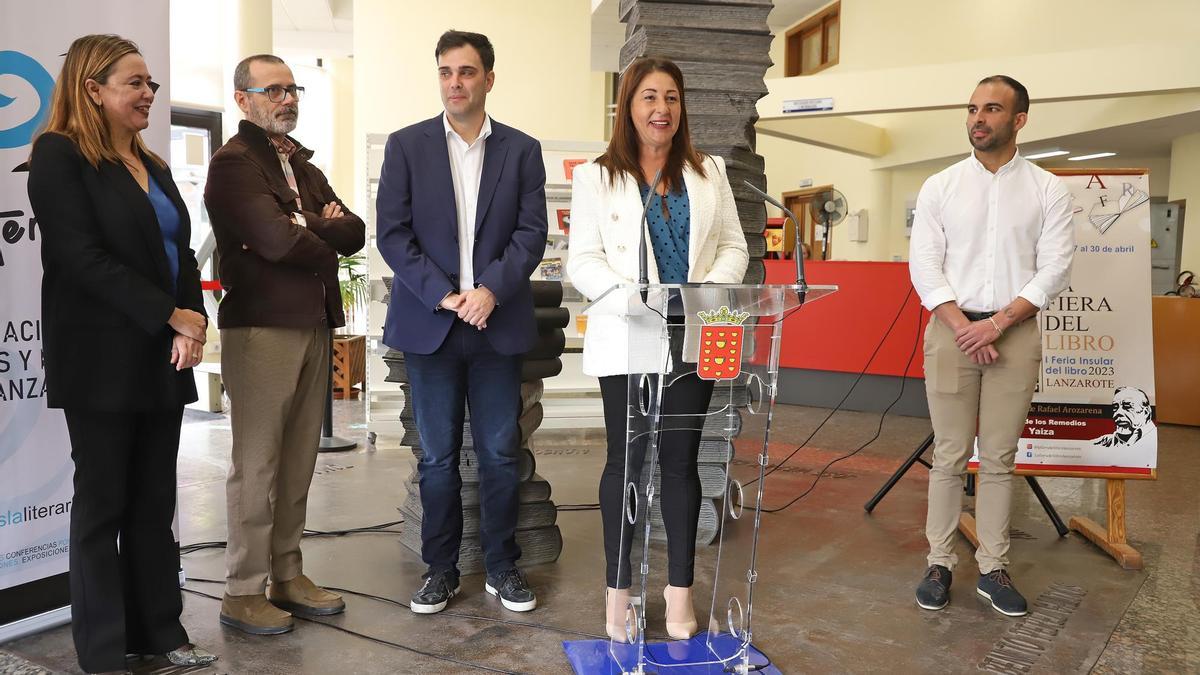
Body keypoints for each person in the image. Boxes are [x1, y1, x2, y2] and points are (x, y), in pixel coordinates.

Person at [27, 33, 217, 673]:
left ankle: (160, 633)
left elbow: (182, 254)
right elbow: (79, 258)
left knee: (153, 502)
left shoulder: (154, 164)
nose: (148, 95)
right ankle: (105, 652)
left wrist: (190, 325)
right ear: (92, 89)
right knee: (103, 502)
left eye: (151, 84)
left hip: (161, 356)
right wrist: (169, 313)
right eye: (134, 83)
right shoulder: (58, 156)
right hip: (100, 358)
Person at [566, 56, 749, 641]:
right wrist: (632, 299)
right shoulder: (598, 176)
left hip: (694, 332)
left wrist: (700, 291)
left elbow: (734, 247)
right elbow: (584, 260)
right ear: (629, 105)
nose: (661, 109)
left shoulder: (709, 170)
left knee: (681, 463)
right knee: (625, 462)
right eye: (649, 97)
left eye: (670, 98)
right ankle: (619, 595)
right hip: (628, 331)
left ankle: (678, 594)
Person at [376, 30, 547, 615]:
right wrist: (447, 296)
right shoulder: (406, 146)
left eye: (467, 72)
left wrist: (489, 291)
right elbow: (393, 236)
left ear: (488, 79)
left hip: (496, 324)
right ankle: (440, 570)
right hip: (433, 324)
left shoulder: (522, 150)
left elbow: (531, 234)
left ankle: (503, 568)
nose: (455, 82)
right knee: (437, 457)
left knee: (501, 452)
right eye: (446, 71)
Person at [204, 54, 365, 635]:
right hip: (262, 328)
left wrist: (307, 221)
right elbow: (274, 241)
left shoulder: (296, 160)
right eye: (273, 90)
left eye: (292, 88)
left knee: (298, 458)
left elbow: (354, 231)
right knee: (258, 462)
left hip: (313, 322)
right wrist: (308, 223)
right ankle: (242, 589)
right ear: (243, 99)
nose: (287, 99)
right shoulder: (233, 163)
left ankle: (287, 575)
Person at [909, 75, 1074, 617]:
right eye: (973, 108)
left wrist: (997, 324)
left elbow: (1054, 268)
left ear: (1019, 120)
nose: (978, 118)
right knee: (950, 456)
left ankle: (992, 568)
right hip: (952, 331)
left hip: (1015, 333)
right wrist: (965, 326)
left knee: (1000, 458)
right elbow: (925, 266)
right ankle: (938, 563)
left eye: (993, 109)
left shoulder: (1048, 189)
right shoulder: (941, 186)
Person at [1089, 387, 1157, 465]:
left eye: (1127, 406)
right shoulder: (1106, 441)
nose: (1117, 413)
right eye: (1115, 408)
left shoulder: (1156, 440)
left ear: (1146, 412)